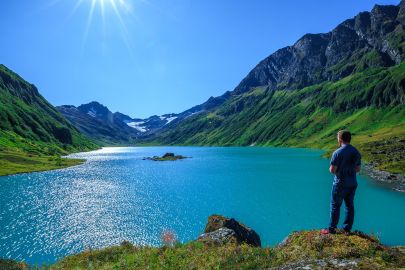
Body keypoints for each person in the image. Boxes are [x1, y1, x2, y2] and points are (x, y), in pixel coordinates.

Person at [321, 130, 361, 235]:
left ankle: (331, 229)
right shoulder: (356, 152)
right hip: (352, 183)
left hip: (340, 184)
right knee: (349, 206)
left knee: (335, 206)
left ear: (340, 139)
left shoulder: (337, 152)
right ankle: (347, 230)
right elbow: (358, 169)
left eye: (338, 138)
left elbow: (332, 170)